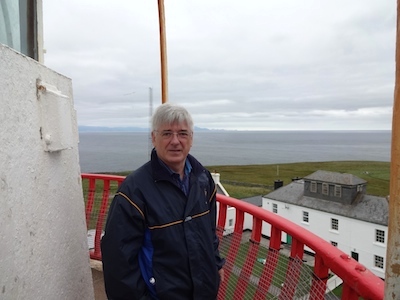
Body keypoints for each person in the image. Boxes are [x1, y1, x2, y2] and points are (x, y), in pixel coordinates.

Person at [101, 103, 225, 300]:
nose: (175, 141)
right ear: (154, 138)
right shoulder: (134, 190)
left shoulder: (203, 179)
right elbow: (119, 263)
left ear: (191, 139)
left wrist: (216, 265)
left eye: (183, 133)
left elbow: (209, 232)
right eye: (167, 133)